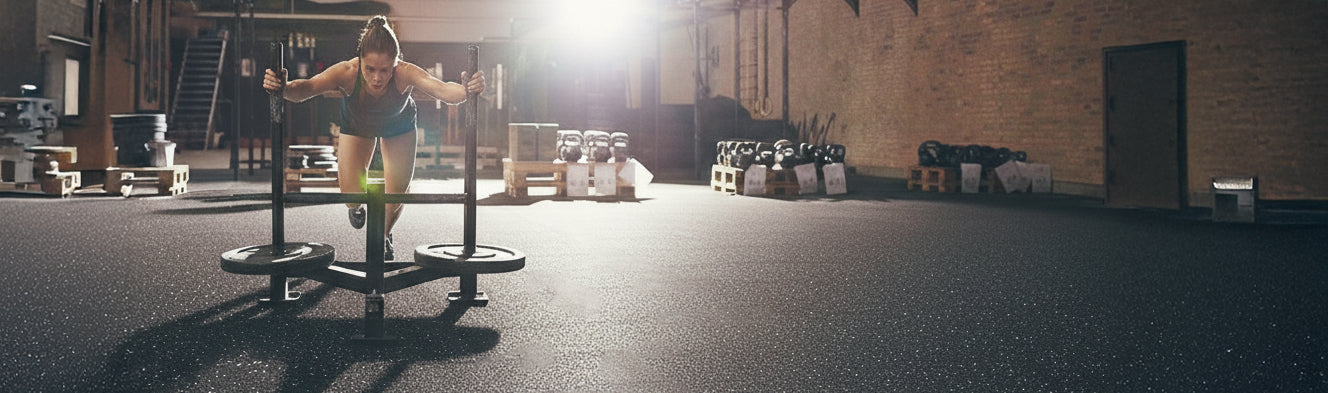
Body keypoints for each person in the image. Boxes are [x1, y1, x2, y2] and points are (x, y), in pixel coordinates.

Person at [263, 15, 484, 260]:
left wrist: (467, 89)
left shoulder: (406, 72)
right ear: (360, 62)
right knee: (351, 193)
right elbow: (307, 88)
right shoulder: (347, 71)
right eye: (370, 69)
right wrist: (283, 86)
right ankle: (356, 208)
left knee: (396, 193)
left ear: (395, 64)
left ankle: (382, 236)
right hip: (357, 126)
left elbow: (443, 90)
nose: (377, 78)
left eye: (384, 70)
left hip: (398, 126)